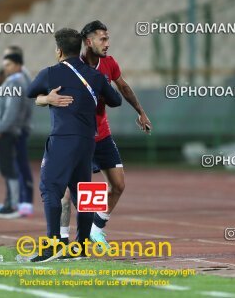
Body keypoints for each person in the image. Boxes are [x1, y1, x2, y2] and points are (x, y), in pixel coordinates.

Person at [36, 20, 153, 249]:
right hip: (79, 137)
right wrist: (47, 99)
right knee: (69, 192)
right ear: (88, 42)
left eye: (108, 38)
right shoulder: (71, 66)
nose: (107, 43)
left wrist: (141, 112)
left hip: (102, 136)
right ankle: (60, 239)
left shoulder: (109, 63)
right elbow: (39, 95)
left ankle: (95, 230)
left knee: (118, 185)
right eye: (103, 39)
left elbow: (123, 88)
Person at [27, 28, 122, 262]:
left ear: (58, 50)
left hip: (62, 139)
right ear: (79, 48)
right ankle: (80, 247)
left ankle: (53, 246)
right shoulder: (95, 76)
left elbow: (29, 93)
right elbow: (116, 100)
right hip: (88, 142)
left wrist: (47, 99)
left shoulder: (50, 73)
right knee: (84, 193)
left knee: (50, 188)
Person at [0, 53, 33, 218]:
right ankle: (9, 202)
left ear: (18, 65)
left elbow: (11, 110)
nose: (6, 68)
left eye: (9, 65)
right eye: (5, 65)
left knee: (9, 169)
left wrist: (0, 128)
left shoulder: (16, 82)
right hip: (4, 131)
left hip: (6, 132)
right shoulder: (13, 82)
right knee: (7, 169)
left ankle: (13, 205)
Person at [2, 45, 34, 217]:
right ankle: (14, 200)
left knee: (20, 165)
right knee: (14, 166)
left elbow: (23, 103)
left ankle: (24, 201)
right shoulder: (16, 77)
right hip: (17, 127)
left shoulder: (23, 77)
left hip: (19, 128)